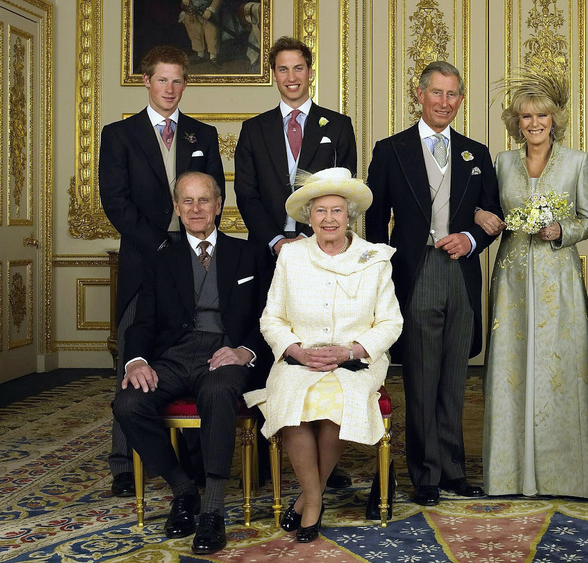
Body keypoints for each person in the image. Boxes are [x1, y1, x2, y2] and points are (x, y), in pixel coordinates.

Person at [478, 69, 588, 498]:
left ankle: (569, 475)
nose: (534, 124)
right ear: (516, 122)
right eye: (526, 117)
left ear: (554, 119)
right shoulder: (502, 162)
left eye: (541, 116)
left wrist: (563, 231)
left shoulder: (577, 161)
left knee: (564, 366)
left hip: (559, 279)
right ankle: (509, 475)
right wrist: (479, 217)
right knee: (511, 369)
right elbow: (483, 209)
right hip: (512, 279)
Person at [365, 61, 502, 507]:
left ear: (461, 100)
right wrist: (382, 274)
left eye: (453, 95)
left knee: (455, 377)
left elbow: (492, 215)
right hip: (416, 271)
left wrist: (471, 237)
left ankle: (453, 470)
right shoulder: (390, 150)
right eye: (437, 93)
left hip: (460, 273)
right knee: (422, 379)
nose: (445, 103)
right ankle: (424, 474)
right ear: (419, 95)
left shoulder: (476, 153)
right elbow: (372, 220)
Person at [111, 171, 267, 555]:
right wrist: (136, 362)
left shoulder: (248, 253)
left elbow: (269, 315)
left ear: (218, 205)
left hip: (226, 352)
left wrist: (244, 352)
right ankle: (183, 490)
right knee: (128, 403)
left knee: (218, 392)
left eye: (204, 200)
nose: (196, 209)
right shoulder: (161, 258)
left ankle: (212, 508)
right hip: (174, 355)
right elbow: (143, 321)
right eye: (187, 201)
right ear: (178, 209)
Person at [244, 167, 403, 542]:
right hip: (301, 357)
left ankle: (306, 503)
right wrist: (296, 351)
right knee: (294, 405)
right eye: (320, 211)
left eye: (336, 210)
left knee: (335, 403)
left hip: (356, 359)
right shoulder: (291, 257)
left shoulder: (375, 258)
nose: (329, 219)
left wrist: (351, 350)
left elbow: (390, 323)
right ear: (308, 216)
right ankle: (313, 498)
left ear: (349, 215)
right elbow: (272, 318)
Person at [99, 45, 224, 498]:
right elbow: (115, 201)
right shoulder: (119, 134)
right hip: (144, 259)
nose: (170, 88)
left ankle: (191, 459)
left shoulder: (201, 134)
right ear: (146, 82)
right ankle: (123, 463)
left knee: (189, 350)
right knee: (134, 358)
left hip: (193, 254)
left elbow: (213, 194)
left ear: (185, 84)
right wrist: (159, 246)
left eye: (178, 80)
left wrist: (193, 245)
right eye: (162, 80)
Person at [233, 35, 357, 489]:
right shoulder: (254, 128)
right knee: (274, 345)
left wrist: (308, 243)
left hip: (322, 256)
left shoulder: (338, 126)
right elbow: (245, 194)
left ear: (310, 71)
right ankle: (273, 458)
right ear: (274, 75)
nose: (291, 77)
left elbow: (342, 194)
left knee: (323, 341)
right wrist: (275, 241)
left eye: (298, 68)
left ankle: (328, 458)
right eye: (282, 70)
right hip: (269, 255)